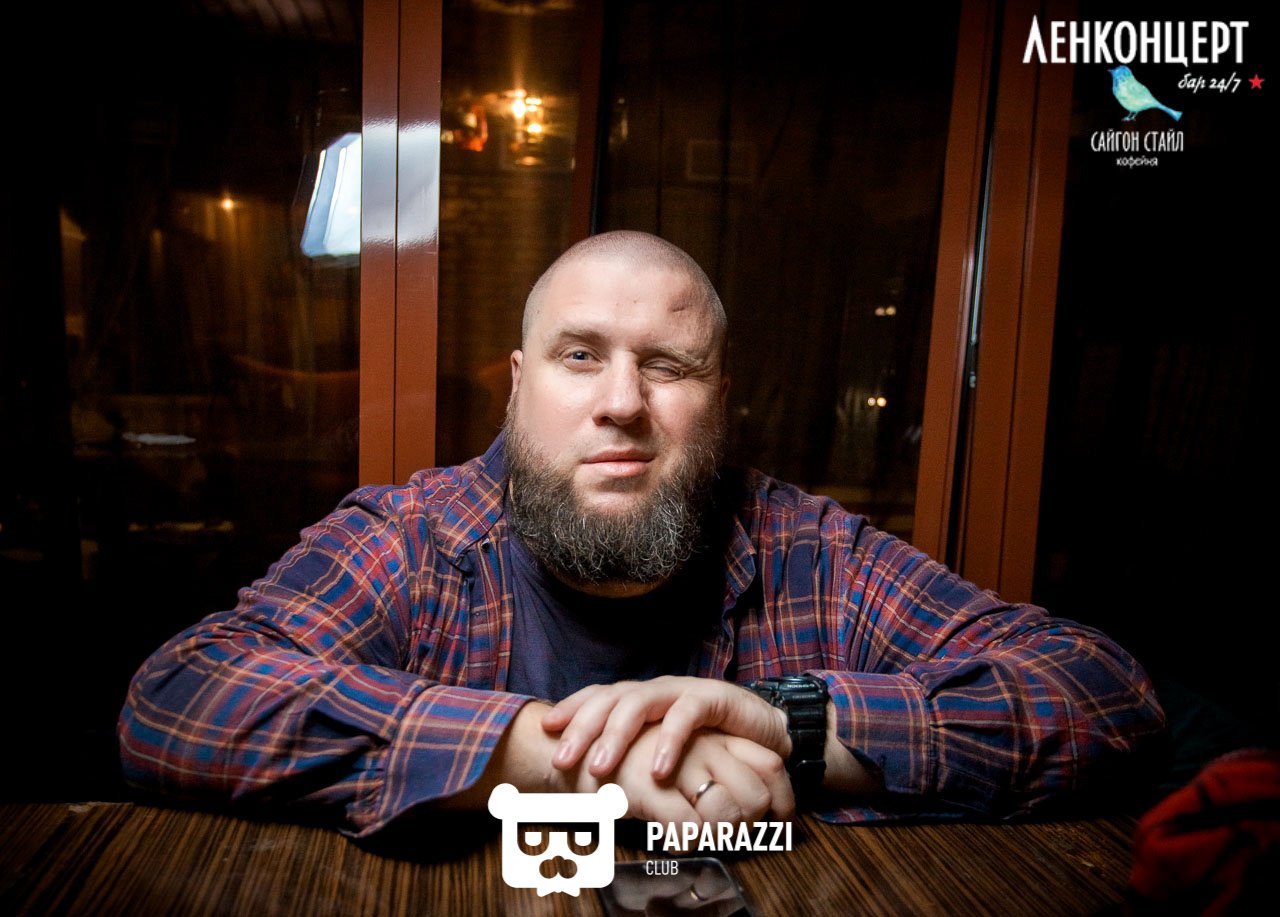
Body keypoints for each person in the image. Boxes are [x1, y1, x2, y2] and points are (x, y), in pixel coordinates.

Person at [118, 231, 1165, 838]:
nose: (621, 402)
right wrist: (555, 760)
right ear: (519, 386)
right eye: (579, 356)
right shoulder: (414, 539)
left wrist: (788, 727)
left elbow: (1105, 696)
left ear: (721, 400)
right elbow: (179, 696)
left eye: (666, 366)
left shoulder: (813, 551)